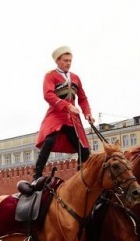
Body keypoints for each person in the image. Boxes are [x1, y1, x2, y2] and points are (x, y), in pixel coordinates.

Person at [33, 46, 94, 181]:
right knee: (48, 141)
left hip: (72, 119)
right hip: (56, 115)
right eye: (65, 60)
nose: (68, 63)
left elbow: (83, 98)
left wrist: (87, 113)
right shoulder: (50, 76)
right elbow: (48, 95)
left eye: (70, 60)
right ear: (58, 61)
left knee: (84, 150)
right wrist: (66, 106)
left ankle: (79, 178)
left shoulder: (75, 78)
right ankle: (36, 175)